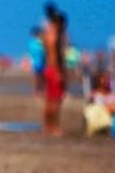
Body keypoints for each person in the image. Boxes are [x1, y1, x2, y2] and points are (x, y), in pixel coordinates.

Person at [41, 4, 68, 136]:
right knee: (55, 100)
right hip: (53, 69)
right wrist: (58, 72)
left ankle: (48, 126)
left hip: (49, 68)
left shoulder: (47, 31)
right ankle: (53, 126)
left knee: (50, 99)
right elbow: (53, 55)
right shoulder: (53, 35)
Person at [29, 26, 46, 95]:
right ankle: (37, 90)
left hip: (41, 62)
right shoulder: (34, 42)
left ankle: (40, 90)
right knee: (37, 77)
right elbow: (37, 51)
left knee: (41, 77)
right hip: (37, 62)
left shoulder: (39, 42)